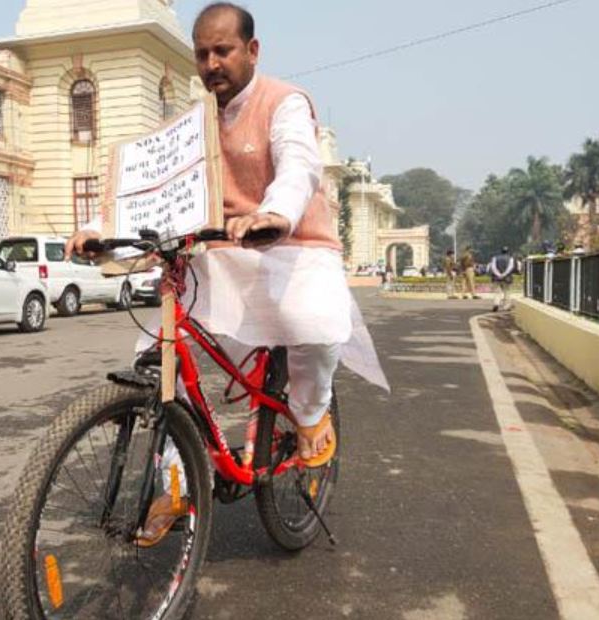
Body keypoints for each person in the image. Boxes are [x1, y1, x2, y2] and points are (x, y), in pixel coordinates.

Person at [65, 2, 386, 544]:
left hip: (292, 246)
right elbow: (152, 192)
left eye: (223, 50)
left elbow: (299, 165)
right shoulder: (192, 126)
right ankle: (176, 481)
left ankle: (311, 413)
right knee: (160, 358)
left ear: (252, 51)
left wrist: (275, 213)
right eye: (202, 54)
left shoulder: (284, 103)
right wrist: (97, 229)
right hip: (220, 253)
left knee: (312, 321)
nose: (211, 63)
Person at [488, 246, 517, 312]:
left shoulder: (495, 258)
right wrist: (503, 274)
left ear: (501, 251)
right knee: (507, 292)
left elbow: (493, 267)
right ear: (508, 251)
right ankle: (506, 306)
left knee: (497, 292)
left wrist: (498, 274)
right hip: (506, 278)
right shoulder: (510, 258)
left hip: (496, 278)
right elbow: (510, 267)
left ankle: (496, 304)